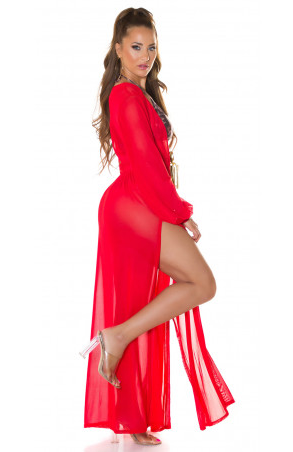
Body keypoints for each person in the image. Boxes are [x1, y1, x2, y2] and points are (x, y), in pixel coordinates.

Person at [80, 7, 235, 446]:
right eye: (136, 47)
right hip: (135, 205)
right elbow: (148, 167)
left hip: (136, 204)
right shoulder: (126, 96)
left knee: (146, 299)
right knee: (202, 283)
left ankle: (131, 414)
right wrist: (180, 211)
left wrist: (172, 208)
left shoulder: (138, 93)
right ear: (118, 49)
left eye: (151, 47)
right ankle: (118, 336)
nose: (145, 55)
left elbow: (152, 164)